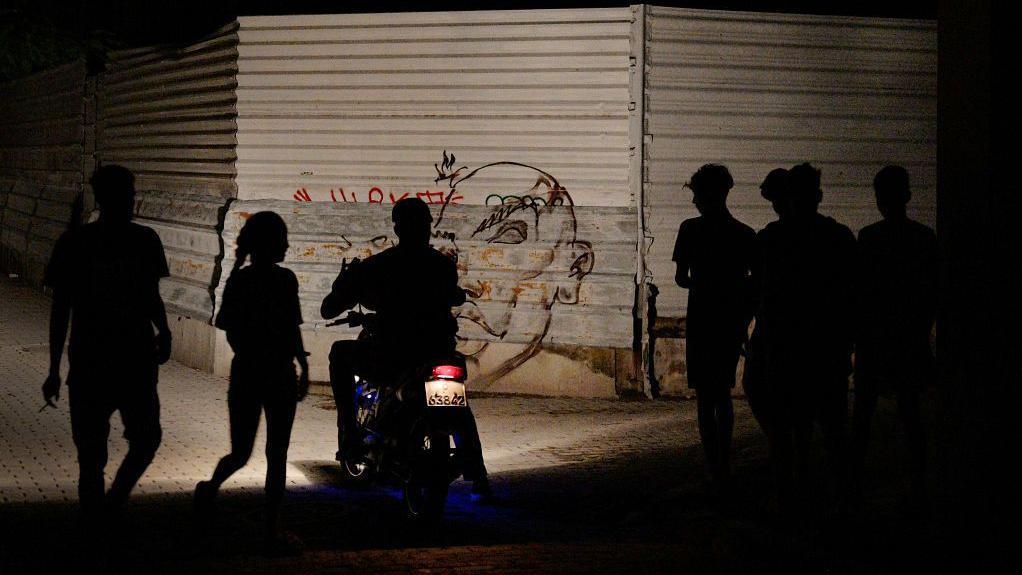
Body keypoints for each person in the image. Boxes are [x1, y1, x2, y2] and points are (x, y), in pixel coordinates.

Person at [322, 197, 492, 500]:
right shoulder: (443, 265)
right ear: (428, 226)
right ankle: (478, 473)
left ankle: (349, 432)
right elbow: (455, 296)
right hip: (439, 354)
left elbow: (329, 309)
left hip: (393, 357)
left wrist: (344, 283)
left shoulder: (380, 266)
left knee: (340, 354)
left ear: (397, 227)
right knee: (458, 405)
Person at [42, 165, 172, 527]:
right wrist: (163, 331)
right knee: (145, 439)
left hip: (91, 360)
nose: (132, 201)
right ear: (114, 198)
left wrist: (54, 369)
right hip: (132, 358)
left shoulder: (74, 243)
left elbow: (60, 310)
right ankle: (109, 510)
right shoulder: (144, 240)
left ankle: (96, 520)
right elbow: (151, 296)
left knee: (91, 454)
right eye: (128, 195)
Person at [194, 211, 310, 554]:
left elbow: (230, 325)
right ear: (270, 244)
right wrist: (301, 365)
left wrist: (254, 352)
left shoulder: (241, 281)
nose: (287, 245)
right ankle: (270, 528)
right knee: (274, 455)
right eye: (282, 239)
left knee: (244, 453)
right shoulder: (282, 280)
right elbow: (292, 328)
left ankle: (214, 492)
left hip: (249, 373)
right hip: (275, 374)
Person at [757, 162, 856, 516]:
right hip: (826, 349)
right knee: (832, 430)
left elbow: (764, 297)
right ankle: (839, 501)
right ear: (818, 196)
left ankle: (788, 498)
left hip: (785, 350)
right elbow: (850, 296)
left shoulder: (770, 239)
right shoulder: (840, 237)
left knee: (785, 430)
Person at [851, 165, 936, 512]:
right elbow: (931, 292)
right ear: (908, 197)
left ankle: (853, 487)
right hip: (908, 338)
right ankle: (917, 486)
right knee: (911, 414)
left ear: (878, 199)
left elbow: (860, 293)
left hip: (875, 338)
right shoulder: (924, 238)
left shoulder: (869, 238)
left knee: (862, 416)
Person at [672, 164, 759, 494]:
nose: (693, 200)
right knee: (723, 394)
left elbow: (682, 279)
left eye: (696, 193)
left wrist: (703, 284)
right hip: (730, 321)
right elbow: (756, 282)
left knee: (705, 399)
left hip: (702, 319)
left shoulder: (690, 230)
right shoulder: (745, 234)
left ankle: (713, 466)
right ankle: (724, 464)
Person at [743, 169, 789, 431]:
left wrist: (744, 321)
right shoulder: (832, 234)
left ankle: (778, 442)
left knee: (756, 384)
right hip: (802, 327)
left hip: (771, 326)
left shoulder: (768, 239)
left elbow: (754, 286)